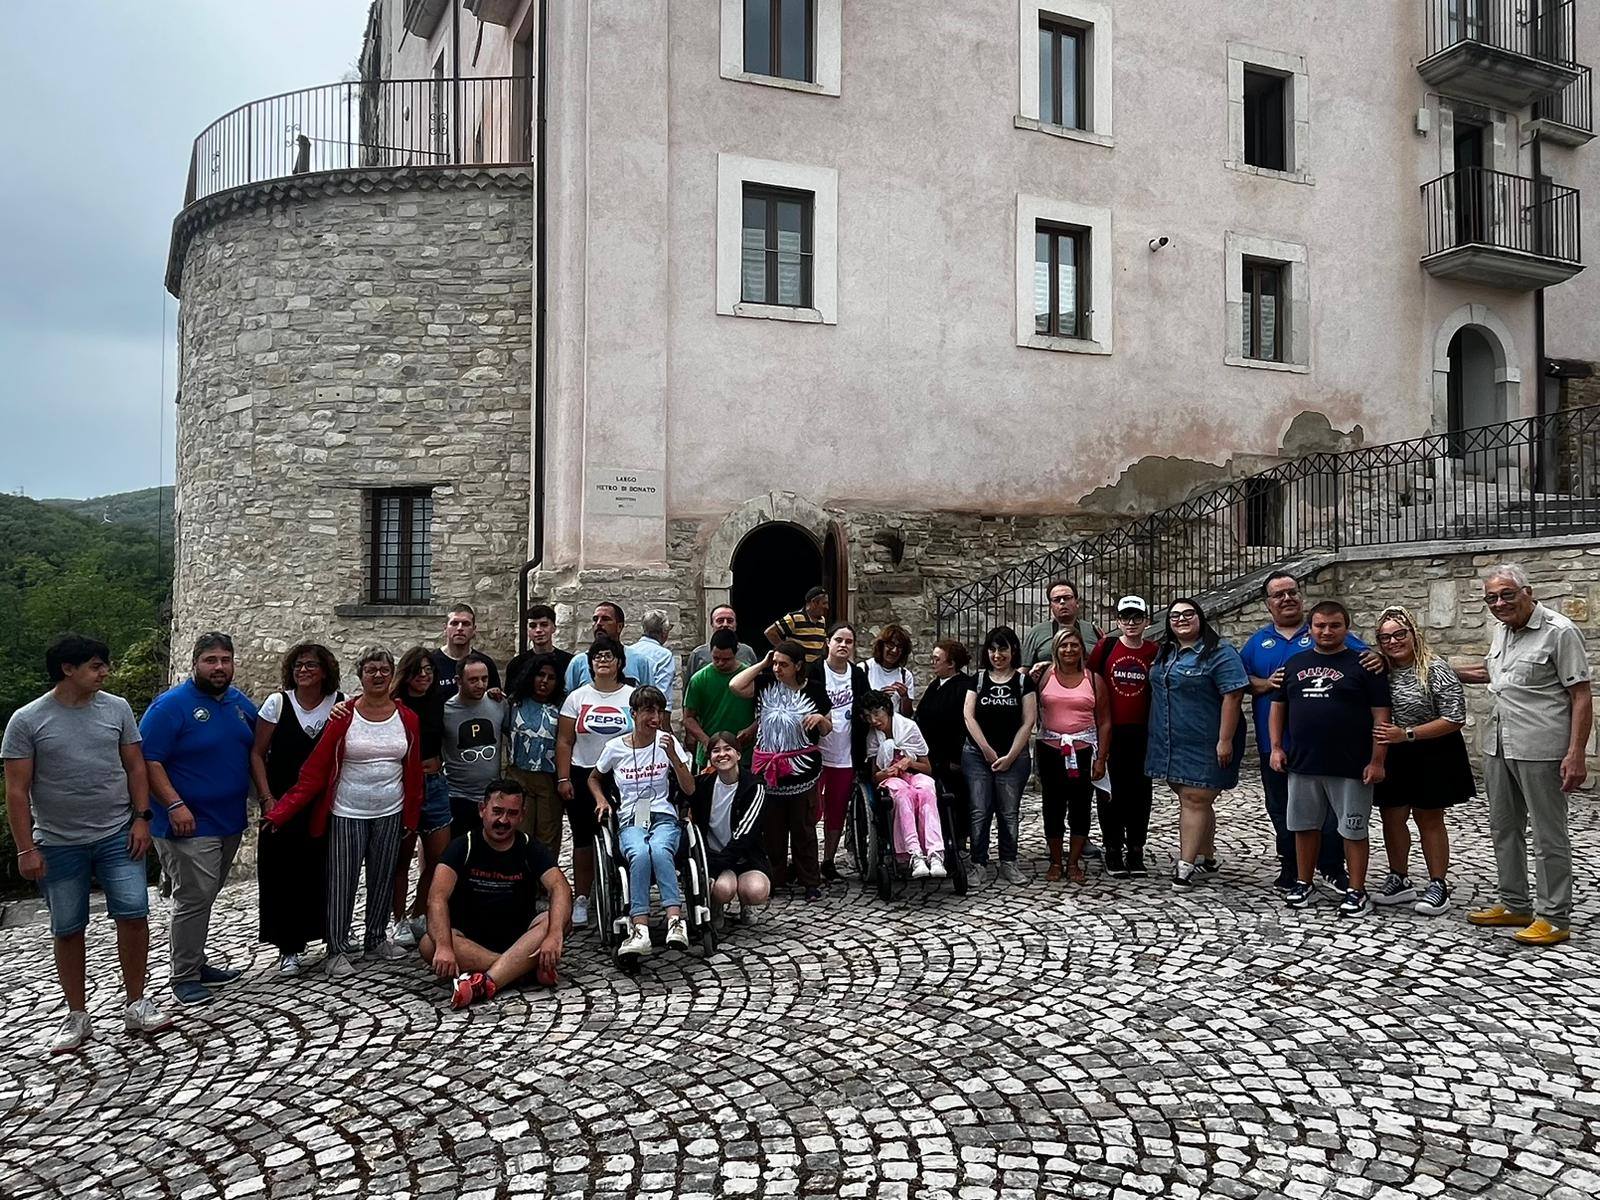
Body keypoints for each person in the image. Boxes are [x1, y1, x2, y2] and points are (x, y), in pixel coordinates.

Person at [3, 634, 172, 1052]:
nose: (105, 672)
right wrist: (26, 848)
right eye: (96, 666)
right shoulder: (27, 720)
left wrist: (141, 819)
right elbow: (16, 790)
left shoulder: (116, 709)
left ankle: (137, 1004)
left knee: (134, 915)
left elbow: (135, 766)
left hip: (118, 832)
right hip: (58, 842)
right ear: (68, 669)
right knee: (68, 926)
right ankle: (77, 1014)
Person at [264, 648, 424, 977]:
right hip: (348, 810)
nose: (377, 676)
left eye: (383, 670)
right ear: (360, 676)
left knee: (383, 876)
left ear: (392, 674)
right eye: (370, 670)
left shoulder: (407, 718)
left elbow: (414, 772)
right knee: (342, 880)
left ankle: (376, 937)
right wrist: (281, 811)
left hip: (389, 809)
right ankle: (337, 947)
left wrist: (410, 816)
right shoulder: (344, 716)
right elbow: (315, 770)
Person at [1457, 565, 1592, 946]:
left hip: (1541, 748)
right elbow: (1491, 672)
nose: (1499, 603)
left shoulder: (1559, 631)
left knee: (1549, 834)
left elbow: (1580, 695)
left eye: (1506, 595)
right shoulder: (1502, 629)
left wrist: (1576, 754)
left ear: (1527, 592)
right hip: (1499, 744)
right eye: (1492, 599)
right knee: (1504, 827)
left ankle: (1553, 916)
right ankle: (1515, 903)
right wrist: (1436, 668)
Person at [1240, 571, 1380, 890]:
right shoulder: (1257, 642)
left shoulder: (1321, 630)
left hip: (1328, 746)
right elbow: (1237, 679)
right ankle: (1291, 866)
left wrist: (1379, 658)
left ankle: (1330, 865)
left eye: (1292, 592)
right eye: (1279, 595)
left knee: (1330, 812)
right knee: (1281, 808)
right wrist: (1264, 683)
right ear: (1267, 604)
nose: (1287, 598)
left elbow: (1368, 658)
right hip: (1276, 745)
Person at [139, 632, 256, 1006]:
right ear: (195, 663)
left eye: (225, 660)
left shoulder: (240, 705)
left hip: (229, 820)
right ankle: (185, 975)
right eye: (211, 660)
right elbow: (149, 761)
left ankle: (197, 962)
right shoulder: (170, 707)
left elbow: (257, 750)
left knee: (205, 896)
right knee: (194, 897)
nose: (219, 667)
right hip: (186, 823)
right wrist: (174, 805)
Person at [1269, 602, 1392, 917]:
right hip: (1303, 763)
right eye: (1320, 625)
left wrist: (1377, 760)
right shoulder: (1294, 664)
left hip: (1351, 764)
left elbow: (1381, 716)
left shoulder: (1365, 665)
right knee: (1303, 826)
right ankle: (1304, 882)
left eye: (1334, 625)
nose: (1326, 631)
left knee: (1352, 829)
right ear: (1309, 629)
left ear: (1346, 627)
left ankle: (1356, 889)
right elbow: (1278, 707)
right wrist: (1276, 747)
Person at [420, 777, 571, 1008]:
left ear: (522, 815)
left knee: (558, 921)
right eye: (497, 811)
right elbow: (436, 898)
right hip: (470, 940)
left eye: (511, 814)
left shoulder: (529, 846)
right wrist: (443, 946)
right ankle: (521, 970)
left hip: (520, 938)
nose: (503, 820)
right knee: (428, 944)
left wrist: (554, 935)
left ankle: (487, 982)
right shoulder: (462, 846)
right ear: (482, 810)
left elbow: (559, 886)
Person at [1368, 606, 1474, 916]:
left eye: (1400, 634)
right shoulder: (1381, 669)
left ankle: (1438, 883)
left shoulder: (1435, 668)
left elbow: (1454, 718)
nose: (1393, 642)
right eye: (1385, 637)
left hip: (1432, 748)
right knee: (1392, 816)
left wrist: (1408, 734)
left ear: (1414, 634)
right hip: (1394, 749)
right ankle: (1398, 877)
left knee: (1428, 817)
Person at [248, 642, 342, 975]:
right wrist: (267, 798)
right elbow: (258, 753)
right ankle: (288, 947)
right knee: (281, 876)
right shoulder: (278, 704)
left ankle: (332, 938)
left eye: (311, 665)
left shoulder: (339, 704)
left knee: (325, 872)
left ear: (325, 670)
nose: (304, 671)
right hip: (283, 804)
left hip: (323, 806)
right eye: (299, 665)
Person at [1144, 600, 1248, 892]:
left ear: (1200, 618)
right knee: (1193, 797)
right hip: (1171, 739)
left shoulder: (1219, 651)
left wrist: (1224, 740)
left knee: (1195, 799)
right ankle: (1208, 855)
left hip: (1207, 740)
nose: (1181, 620)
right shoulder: (1166, 651)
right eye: (1174, 616)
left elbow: (1234, 694)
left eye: (1188, 614)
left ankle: (1185, 866)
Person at [589, 686, 697, 957]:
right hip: (631, 817)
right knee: (639, 851)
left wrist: (673, 756)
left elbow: (690, 789)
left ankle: (675, 920)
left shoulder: (667, 743)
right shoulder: (614, 748)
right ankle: (640, 929)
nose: (656, 717)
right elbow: (593, 778)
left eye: (659, 711)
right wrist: (601, 800)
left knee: (660, 849)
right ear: (633, 713)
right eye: (649, 710)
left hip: (663, 815)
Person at [730, 642, 833, 901]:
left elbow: (828, 727)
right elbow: (735, 685)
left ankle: (810, 881)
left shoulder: (815, 691)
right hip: (769, 772)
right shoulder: (764, 683)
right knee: (772, 831)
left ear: (798, 665)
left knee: (804, 830)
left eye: (783, 664)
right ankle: (774, 878)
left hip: (802, 773)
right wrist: (763, 664)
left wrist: (820, 720)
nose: (777, 668)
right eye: (775, 663)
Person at [555, 635, 636, 927]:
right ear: (590, 663)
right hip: (582, 772)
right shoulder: (577, 698)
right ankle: (582, 897)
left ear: (619, 663)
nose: (603, 660)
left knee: (629, 831)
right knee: (582, 837)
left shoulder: (631, 696)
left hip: (625, 775)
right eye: (597, 656)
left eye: (609, 656)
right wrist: (563, 777)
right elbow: (564, 740)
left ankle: (627, 890)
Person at [1087, 596, 1159, 878]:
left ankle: (1136, 847)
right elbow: (1088, 680)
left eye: (1137, 618)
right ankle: (1113, 847)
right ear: (1117, 621)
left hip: (1142, 731)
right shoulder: (1106, 648)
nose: (1131, 623)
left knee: (1140, 793)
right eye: (1125, 618)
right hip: (1110, 730)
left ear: (1146, 621)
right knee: (1109, 792)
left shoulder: (1155, 651)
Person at [387, 648, 453, 948]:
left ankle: (419, 911)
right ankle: (398, 918)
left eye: (429, 670)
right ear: (407, 673)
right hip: (404, 788)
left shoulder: (438, 701)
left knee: (439, 857)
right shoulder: (394, 706)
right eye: (418, 670)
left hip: (435, 784)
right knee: (401, 858)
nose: (424, 675)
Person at [962, 626, 1038, 883]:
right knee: (979, 810)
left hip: (1013, 757)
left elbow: (1028, 722)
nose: (997, 655)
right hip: (977, 755)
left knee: (1008, 812)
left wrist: (1010, 756)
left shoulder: (1022, 681)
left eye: (1003, 649)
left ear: (1013, 650)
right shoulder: (978, 679)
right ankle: (978, 862)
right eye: (993, 649)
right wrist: (986, 749)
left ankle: (1009, 861)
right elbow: (968, 715)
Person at [1036, 628, 1112, 884]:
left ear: (1082, 649)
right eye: (1063, 646)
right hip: (1050, 749)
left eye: (1074, 645)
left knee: (1080, 806)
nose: (1068, 650)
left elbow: (1104, 721)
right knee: (1052, 806)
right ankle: (1056, 861)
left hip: (1083, 750)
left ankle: (1074, 861)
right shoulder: (1045, 675)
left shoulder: (1093, 680)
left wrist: (1101, 758)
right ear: (1055, 650)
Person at [863, 690, 946, 878]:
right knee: (903, 794)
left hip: (914, 773)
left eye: (877, 714)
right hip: (891, 780)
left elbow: (927, 768)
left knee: (926, 789)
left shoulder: (909, 728)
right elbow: (875, 777)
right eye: (869, 717)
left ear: (887, 710)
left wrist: (909, 762)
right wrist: (885, 772)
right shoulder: (872, 737)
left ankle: (935, 854)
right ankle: (913, 853)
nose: (874, 721)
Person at [812, 622, 871, 882]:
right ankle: (807, 860)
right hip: (816, 752)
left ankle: (828, 861)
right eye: (839, 640)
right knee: (811, 810)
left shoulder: (857, 675)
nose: (843, 645)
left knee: (837, 810)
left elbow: (866, 708)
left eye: (849, 641)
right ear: (828, 642)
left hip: (846, 754)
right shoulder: (815, 670)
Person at [692, 731, 771, 921]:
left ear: (738, 754)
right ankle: (717, 905)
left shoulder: (754, 786)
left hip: (745, 857)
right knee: (722, 889)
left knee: (755, 890)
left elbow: (744, 835)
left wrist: (717, 865)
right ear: (710, 758)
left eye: (728, 749)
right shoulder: (703, 785)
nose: (722, 754)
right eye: (715, 751)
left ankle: (747, 905)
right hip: (715, 855)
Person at [915, 639, 973, 856]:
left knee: (955, 800)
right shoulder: (935, 685)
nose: (933, 663)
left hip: (951, 757)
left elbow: (964, 724)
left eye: (937, 659)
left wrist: (957, 758)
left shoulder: (963, 686)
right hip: (933, 756)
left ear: (951, 664)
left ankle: (957, 840)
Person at [505, 652, 565, 855]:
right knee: (520, 836)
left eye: (551, 677)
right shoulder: (514, 703)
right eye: (541, 675)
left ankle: (545, 886)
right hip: (519, 777)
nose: (545, 681)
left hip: (549, 780)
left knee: (547, 841)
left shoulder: (562, 708)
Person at [441, 659, 507, 838]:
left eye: (484, 679)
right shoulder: (446, 711)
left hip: (491, 795)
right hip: (457, 796)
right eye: (473, 680)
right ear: (458, 680)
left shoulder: (499, 703)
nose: (480, 685)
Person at [682, 629, 758, 769]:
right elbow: (688, 718)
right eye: (716, 658)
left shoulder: (749, 677)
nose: (720, 663)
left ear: (736, 653)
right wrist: (706, 741)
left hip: (745, 754)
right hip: (711, 756)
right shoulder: (699, 679)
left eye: (726, 659)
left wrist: (752, 729)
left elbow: (765, 713)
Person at [1021, 579, 1104, 678]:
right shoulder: (1036, 633)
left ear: (1077, 602)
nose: (1062, 602)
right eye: (1056, 599)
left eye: (1067, 598)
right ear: (1050, 606)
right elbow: (1023, 671)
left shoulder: (1094, 630)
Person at [564, 602, 648, 692]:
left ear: (619, 627)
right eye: (595, 619)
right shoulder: (579, 662)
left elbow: (650, 697)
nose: (599, 623)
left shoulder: (639, 661)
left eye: (605, 619)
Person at [429, 603, 501, 696]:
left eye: (466, 624)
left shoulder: (485, 664)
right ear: (445, 628)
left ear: (474, 629)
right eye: (454, 623)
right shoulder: (431, 662)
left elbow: (494, 701)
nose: (460, 628)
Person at [505, 604, 574, 695]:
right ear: (528, 630)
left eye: (544, 625)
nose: (538, 630)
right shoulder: (517, 664)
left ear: (553, 628)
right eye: (533, 626)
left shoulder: (570, 662)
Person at [685, 605, 758, 681]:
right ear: (712, 624)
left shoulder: (747, 652)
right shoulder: (698, 654)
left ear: (735, 625)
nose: (725, 624)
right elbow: (689, 686)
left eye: (730, 621)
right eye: (720, 621)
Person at [764, 586, 830, 667]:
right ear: (814, 603)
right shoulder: (794, 618)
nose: (827, 607)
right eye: (824, 603)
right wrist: (786, 652)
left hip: (817, 668)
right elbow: (770, 632)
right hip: (800, 668)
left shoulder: (822, 620)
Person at [631, 609, 679, 710]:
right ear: (664, 632)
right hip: (651, 710)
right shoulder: (664, 655)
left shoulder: (629, 651)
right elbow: (662, 692)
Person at [866, 625, 917, 717]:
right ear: (881, 646)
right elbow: (856, 706)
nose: (894, 651)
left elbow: (907, 715)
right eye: (890, 645)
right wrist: (879, 698)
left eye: (899, 647)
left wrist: (904, 697)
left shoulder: (905, 675)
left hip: (894, 729)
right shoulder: (865, 669)